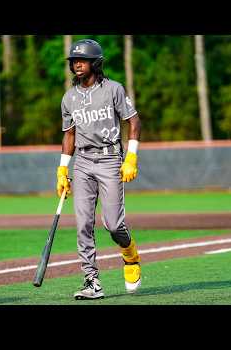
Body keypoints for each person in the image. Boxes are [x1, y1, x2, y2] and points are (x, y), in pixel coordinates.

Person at [57, 39, 142, 300]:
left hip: (109, 160)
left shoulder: (113, 89)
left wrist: (131, 157)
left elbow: (134, 122)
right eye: (73, 61)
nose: (76, 64)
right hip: (82, 163)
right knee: (84, 223)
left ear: (95, 63)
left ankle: (130, 255)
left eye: (82, 60)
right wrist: (62, 170)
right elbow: (69, 135)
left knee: (114, 225)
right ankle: (92, 281)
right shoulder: (69, 97)